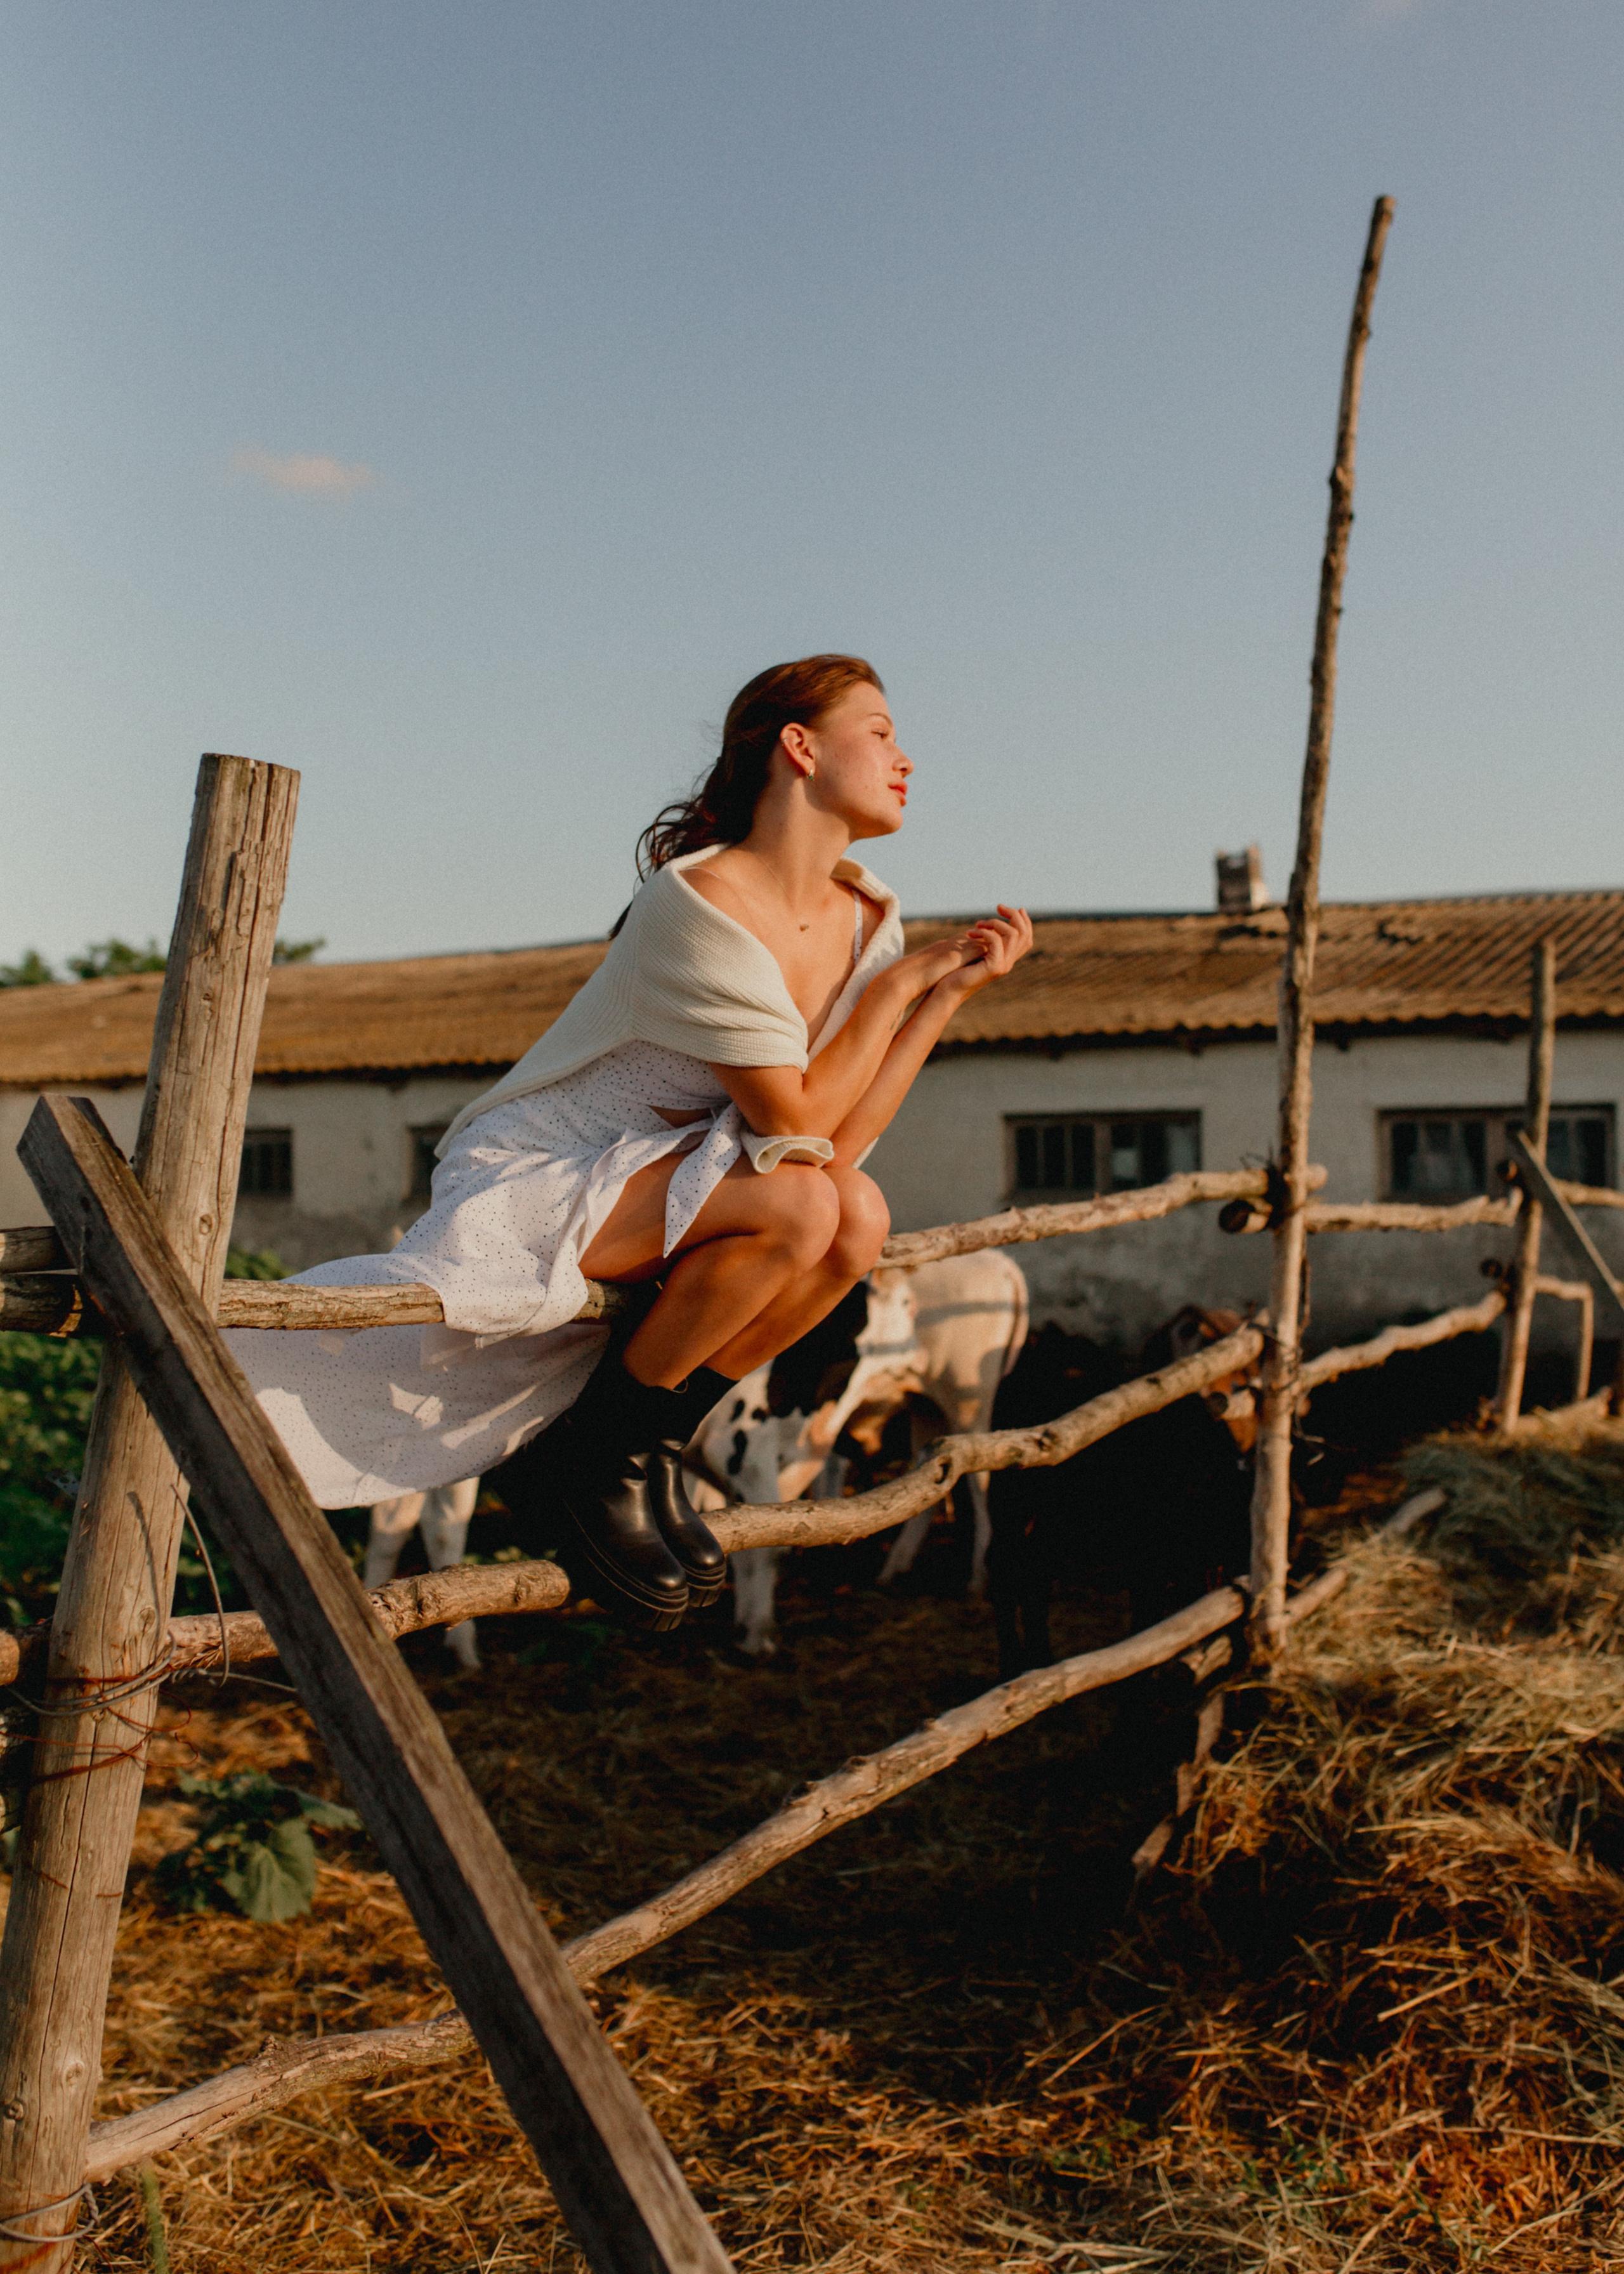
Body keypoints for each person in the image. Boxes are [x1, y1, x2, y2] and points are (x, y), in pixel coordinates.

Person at [230, 655, 1031, 1628]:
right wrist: (900, 994)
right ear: (800, 746)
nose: (907, 758)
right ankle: (589, 1462)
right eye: (882, 730)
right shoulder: (699, 906)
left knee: (856, 1216)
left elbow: (838, 1150)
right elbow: (797, 1125)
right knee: (807, 1201)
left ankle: (643, 1449)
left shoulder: (872, 919)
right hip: (543, 1175)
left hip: (693, 1176)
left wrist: (936, 996)